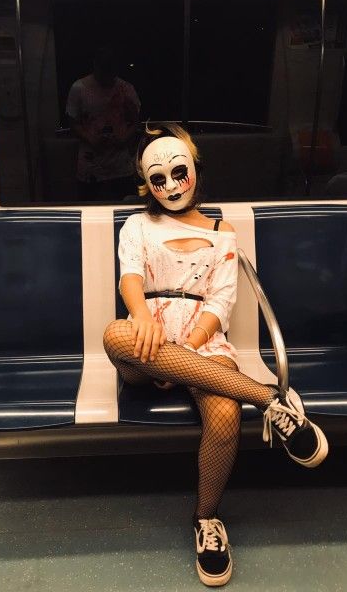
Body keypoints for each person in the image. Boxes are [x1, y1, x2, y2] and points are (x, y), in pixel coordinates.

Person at [103, 123, 329, 587]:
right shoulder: (138, 225)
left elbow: (221, 303)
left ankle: (207, 520)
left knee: (225, 417)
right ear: (147, 184)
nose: (170, 186)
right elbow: (130, 277)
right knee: (114, 335)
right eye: (158, 179)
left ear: (195, 171)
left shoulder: (223, 231)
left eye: (178, 172)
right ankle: (269, 399)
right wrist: (142, 318)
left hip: (204, 342)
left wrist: (182, 353)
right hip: (148, 339)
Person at [66, 46, 141, 202]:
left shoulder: (126, 89)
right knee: (89, 209)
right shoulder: (79, 88)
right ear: (95, 65)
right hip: (90, 164)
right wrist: (90, 138)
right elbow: (72, 122)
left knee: (125, 207)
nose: (107, 75)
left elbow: (135, 121)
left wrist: (124, 138)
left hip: (120, 165)